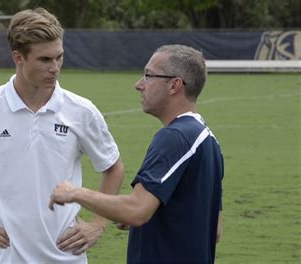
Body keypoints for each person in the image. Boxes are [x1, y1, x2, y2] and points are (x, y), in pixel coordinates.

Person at [0, 7, 124, 264]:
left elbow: (113, 167)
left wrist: (98, 224)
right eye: (44, 60)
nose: (55, 68)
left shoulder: (82, 111)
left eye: (59, 57)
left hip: (66, 257)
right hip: (1, 258)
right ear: (18, 57)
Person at [49, 44, 224, 263]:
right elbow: (215, 229)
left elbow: (137, 210)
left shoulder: (175, 137)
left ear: (174, 85)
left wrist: (74, 193)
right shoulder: (208, 140)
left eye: (148, 76)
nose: (139, 85)